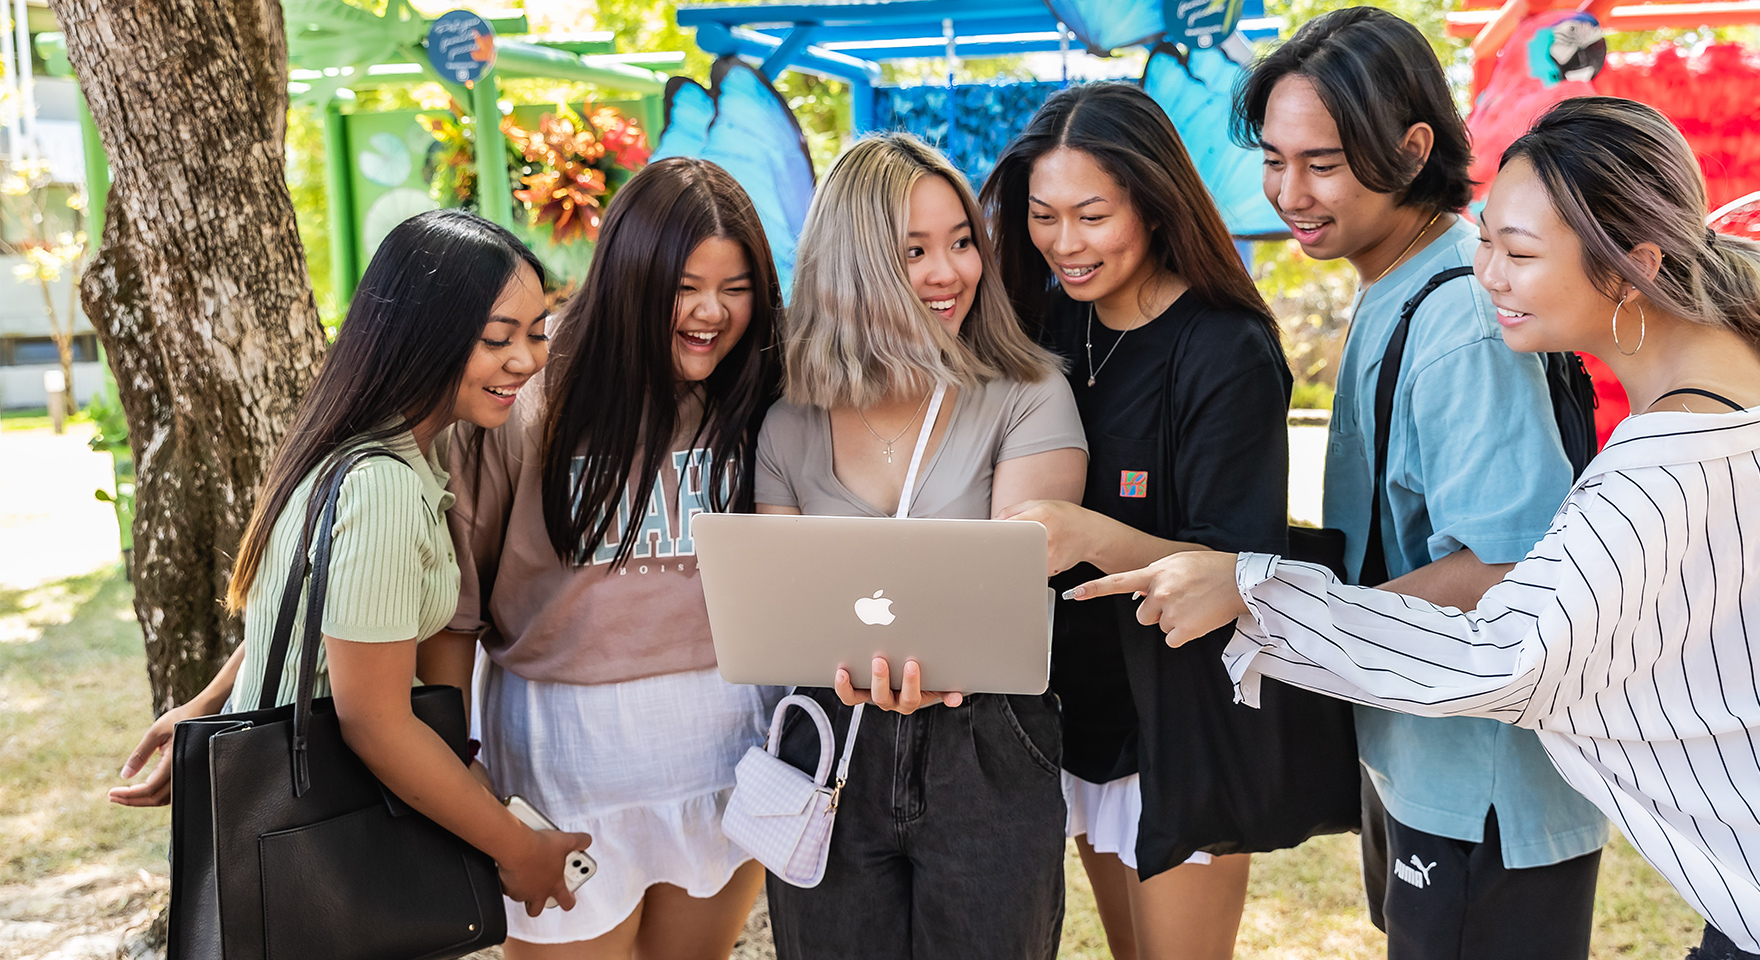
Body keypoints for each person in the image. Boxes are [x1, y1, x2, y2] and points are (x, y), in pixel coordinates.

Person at [1075, 96, 1760, 960]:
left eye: (1518, 253)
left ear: (1630, 269)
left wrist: (1251, 592)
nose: (1486, 275)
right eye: (1485, 239)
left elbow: (1499, 655)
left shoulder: (1666, 469)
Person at [1227, 10, 1612, 959]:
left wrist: (1307, 630)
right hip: (1422, 754)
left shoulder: (1460, 321)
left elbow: (1510, 563)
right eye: (1275, 159)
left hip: (1484, 784)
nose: (1289, 191)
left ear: (1412, 147)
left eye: (1322, 162)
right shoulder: (1398, 279)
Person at [107, 209, 589, 914]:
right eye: (497, 339)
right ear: (421, 335)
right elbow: (377, 725)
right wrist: (520, 850)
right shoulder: (383, 487)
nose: (528, 359)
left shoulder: (382, 448)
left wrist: (207, 711)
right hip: (324, 847)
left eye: (538, 334)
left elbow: (316, 606)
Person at [981, 81, 1358, 960]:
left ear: (1151, 201)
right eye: (1043, 216)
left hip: (1185, 720)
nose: (1065, 245)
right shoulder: (1040, 320)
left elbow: (1238, 568)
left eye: (1092, 216)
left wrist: (1084, 534)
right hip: (1075, 708)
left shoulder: (1225, 346)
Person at [755, 133, 1087, 960]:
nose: (952, 272)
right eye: (914, 251)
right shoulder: (788, 419)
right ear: (854, 262)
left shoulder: (1028, 393)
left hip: (987, 744)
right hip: (830, 737)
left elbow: (1018, 575)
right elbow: (784, 606)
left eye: (962, 241)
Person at [446, 158, 784, 959]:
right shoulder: (526, 389)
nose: (710, 313)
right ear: (629, 274)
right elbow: (453, 605)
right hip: (565, 760)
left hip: (729, 749)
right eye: (683, 287)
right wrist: (462, 774)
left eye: (735, 288)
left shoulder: (764, 387)